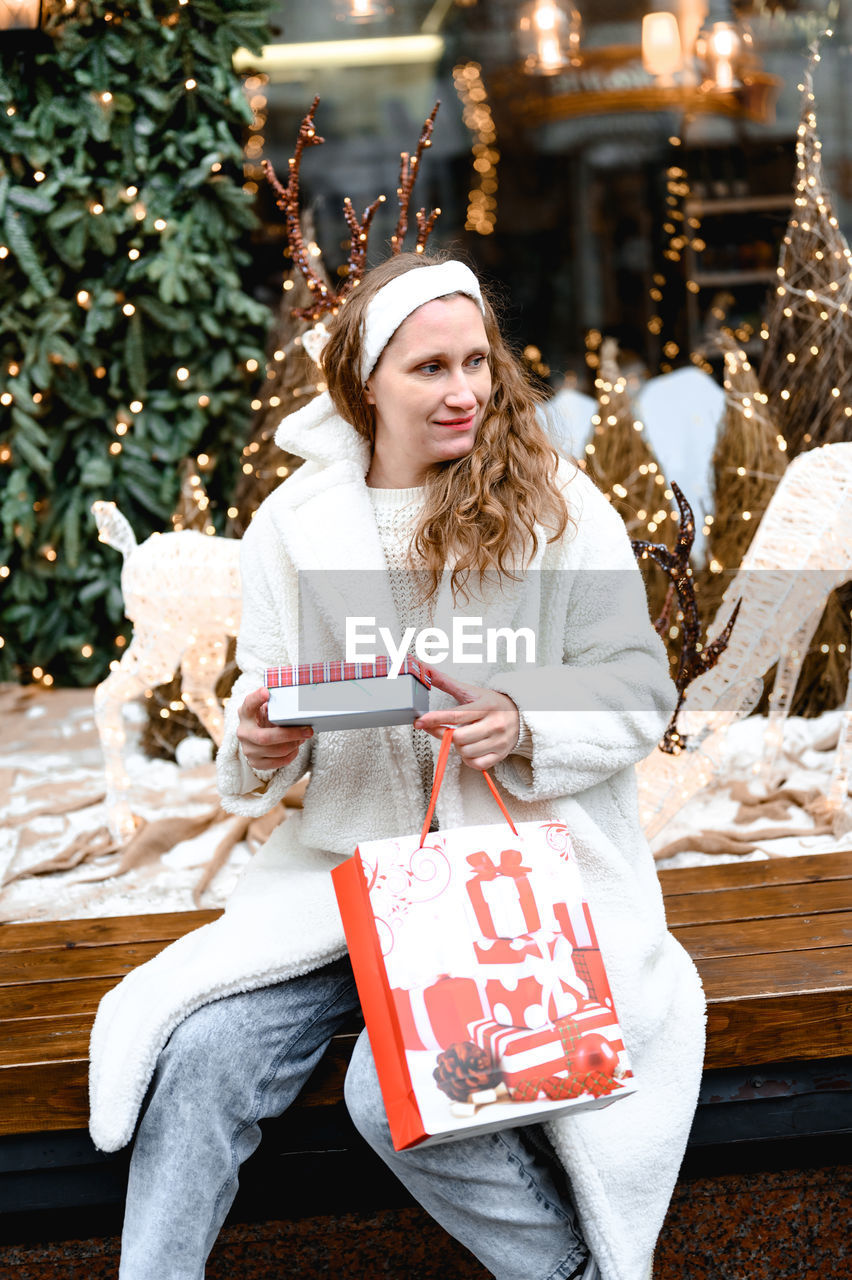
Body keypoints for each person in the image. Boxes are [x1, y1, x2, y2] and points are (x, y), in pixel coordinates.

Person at [89, 252, 706, 1280]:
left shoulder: (557, 505)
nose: (464, 390)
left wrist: (522, 716)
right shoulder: (294, 525)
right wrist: (263, 739)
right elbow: (263, 717)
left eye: (477, 362)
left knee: (399, 1089)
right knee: (199, 1057)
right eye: (430, 368)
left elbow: (639, 686)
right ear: (365, 380)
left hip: (507, 878)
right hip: (341, 878)